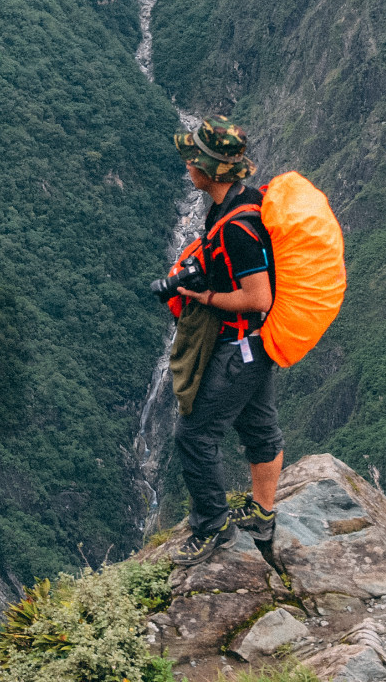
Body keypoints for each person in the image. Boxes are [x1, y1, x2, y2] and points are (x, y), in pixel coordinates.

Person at [167, 117, 282, 566]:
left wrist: (206, 295)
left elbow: (257, 297)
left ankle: (211, 526)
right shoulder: (243, 201)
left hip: (242, 346)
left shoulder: (237, 226)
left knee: (194, 435)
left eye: (192, 159)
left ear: (208, 170)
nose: (187, 166)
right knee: (258, 428)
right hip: (258, 345)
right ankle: (262, 515)